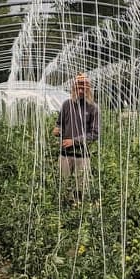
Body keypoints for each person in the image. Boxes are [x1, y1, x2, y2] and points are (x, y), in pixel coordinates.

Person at [53, 74, 99, 202]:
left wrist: (74, 141)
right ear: (73, 87)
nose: (81, 89)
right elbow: (59, 124)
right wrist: (57, 130)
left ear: (89, 88)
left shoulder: (93, 108)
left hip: (82, 156)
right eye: (78, 85)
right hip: (65, 155)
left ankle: (78, 213)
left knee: (81, 188)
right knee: (63, 185)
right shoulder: (66, 105)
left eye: (84, 86)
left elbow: (95, 134)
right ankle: (64, 211)